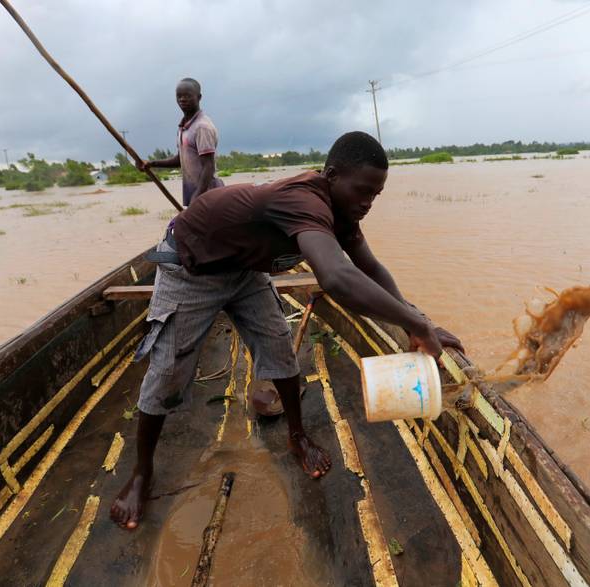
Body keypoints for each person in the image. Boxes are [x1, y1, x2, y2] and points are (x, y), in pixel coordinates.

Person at [111, 131, 463, 529]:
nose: (367, 203)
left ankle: (297, 436)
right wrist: (412, 324)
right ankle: (142, 473)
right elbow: (334, 276)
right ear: (331, 176)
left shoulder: (344, 211)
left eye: (375, 195)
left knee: (280, 348)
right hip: (192, 267)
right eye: (362, 191)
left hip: (245, 269)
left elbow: (370, 268)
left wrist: (420, 320)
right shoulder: (304, 201)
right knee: (168, 373)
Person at [139, 77, 223, 206]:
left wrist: (197, 195)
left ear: (199, 97)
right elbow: (180, 160)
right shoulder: (183, 128)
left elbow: (208, 166)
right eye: (179, 96)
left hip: (209, 196)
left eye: (188, 96)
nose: (182, 99)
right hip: (197, 196)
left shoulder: (202, 127)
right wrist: (151, 163)